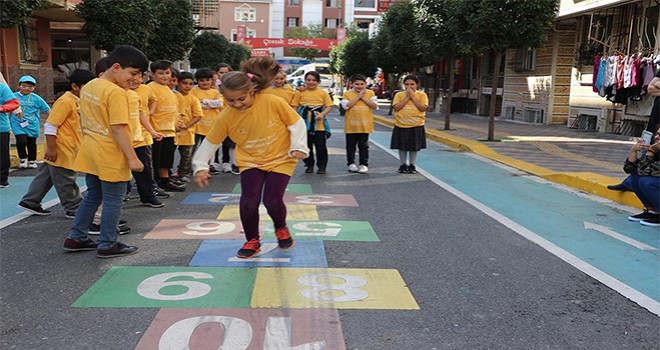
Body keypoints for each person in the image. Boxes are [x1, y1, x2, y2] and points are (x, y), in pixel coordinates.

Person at [192, 56, 309, 259]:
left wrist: (298, 147)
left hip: (281, 158)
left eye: (241, 99)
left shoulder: (273, 101)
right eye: (230, 100)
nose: (236, 104)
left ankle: (281, 227)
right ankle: (252, 240)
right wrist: (201, 165)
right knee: (248, 202)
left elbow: (296, 123)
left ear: (252, 91)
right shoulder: (225, 116)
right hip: (250, 160)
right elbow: (211, 142)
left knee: (272, 200)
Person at [62, 45, 148, 258]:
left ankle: (76, 237)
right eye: (133, 73)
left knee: (93, 195)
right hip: (110, 153)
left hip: (91, 149)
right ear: (117, 67)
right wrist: (133, 158)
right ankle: (108, 242)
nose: (135, 79)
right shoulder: (117, 93)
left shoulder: (91, 85)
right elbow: (118, 128)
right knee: (113, 199)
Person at [17, 69, 95, 217]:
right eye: (87, 86)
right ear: (74, 86)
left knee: (46, 176)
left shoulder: (79, 101)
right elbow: (51, 125)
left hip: (69, 146)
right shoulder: (65, 102)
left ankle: (30, 201)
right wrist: (52, 148)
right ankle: (74, 207)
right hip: (61, 148)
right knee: (66, 179)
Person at [128, 74, 165, 208]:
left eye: (136, 75)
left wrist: (152, 131)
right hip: (119, 139)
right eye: (130, 74)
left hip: (139, 138)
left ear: (143, 77)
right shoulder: (116, 92)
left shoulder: (138, 93)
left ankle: (148, 196)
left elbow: (141, 113)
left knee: (144, 168)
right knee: (120, 170)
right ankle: (122, 195)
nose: (133, 79)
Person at [148, 60, 185, 192]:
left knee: (167, 158)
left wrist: (177, 123)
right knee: (155, 160)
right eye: (161, 73)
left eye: (167, 73)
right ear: (152, 74)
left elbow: (174, 111)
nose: (165, 76)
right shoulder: (150, 88)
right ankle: (154, 182)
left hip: (170, 130)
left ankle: (165, 180)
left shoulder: (169, 90)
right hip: (156, 130)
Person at [292, 71, 333, 174]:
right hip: (304, 124)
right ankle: (309, 164)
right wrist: (296, 118)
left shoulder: (323, 93)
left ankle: (322, 166)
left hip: (319, 124)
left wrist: (321, 115)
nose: (311, 82)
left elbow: (329, 106)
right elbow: (294, 106)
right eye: (308, 80)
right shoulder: (300, 93)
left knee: (321, 146)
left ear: (318, 82)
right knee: (306, 146)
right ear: (304, 81)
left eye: (314, 80)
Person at [391, 74, 428, 174]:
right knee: (402, 146)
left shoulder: (422, 95)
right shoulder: (399, 95)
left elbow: (422, 108)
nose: (409, 86)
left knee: (414, 147)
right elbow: (396, 107)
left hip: (416, 124)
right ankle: (403, 164)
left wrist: (413, 97)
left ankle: (412, 165)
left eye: (412, 84)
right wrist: (407, 97)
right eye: (407, 84)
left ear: (417, 85)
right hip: (401, 124)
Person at [11, 75, 51, 169]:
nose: (27, 88)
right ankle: (23, 159)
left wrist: (54, 120)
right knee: (21, 141)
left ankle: (32, 160)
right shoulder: (13, 96)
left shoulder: (36, 98)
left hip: (32, 124)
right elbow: (6, 106)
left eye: (30, 87)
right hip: (18, 124)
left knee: (31, 143)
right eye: (24, 86)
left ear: (34, 88)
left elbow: (47, 110)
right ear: (19, 86)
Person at [341, 74, 378, 174]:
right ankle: (351, 163)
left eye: (362, 84)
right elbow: (347, 106)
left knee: (364, 146)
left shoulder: (370, 93)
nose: (359, 86)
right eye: (356, 84)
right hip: (351, 126)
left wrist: (363, 98)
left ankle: (363, 164)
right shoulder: (347, 94)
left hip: (365, 125)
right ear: (352, 84)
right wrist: (358, 97)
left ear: (366, 84)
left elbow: (374, 106)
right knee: (350, 146)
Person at [624, 127, 660, 227]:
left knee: (646, 182)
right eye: (656, 134)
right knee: (634, 179)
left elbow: (646, 171)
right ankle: (653, 212)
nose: (656, 137)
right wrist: (633, 151)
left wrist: (651, 151)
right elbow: (631, 170)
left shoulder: (654, 149)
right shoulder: (656, 149)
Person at [191, 68, 224, 175]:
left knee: (208, 148)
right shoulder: (193, 91)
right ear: (197, 81)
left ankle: (206, 168)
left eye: (207, 80)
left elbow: (219, 104)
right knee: (192, 147)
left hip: (212, 125)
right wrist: (210, 104)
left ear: (212, 81)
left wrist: (203, 102)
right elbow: (192, 104)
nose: (205, 82)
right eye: (201, 80)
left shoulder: (216, 92)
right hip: (195, 124)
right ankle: (189, 167)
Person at [174, 71, 203, 182]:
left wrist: (186, 125)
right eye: (184, 83)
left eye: (190, 84)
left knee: (186, 156)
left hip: (188, 132)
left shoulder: (193, 99)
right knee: (168, 154)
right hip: (173, 131)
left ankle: (183, 173)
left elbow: (198, 115)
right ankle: (167, 175)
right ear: (178, 83)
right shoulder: (173, 96)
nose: (187, 86)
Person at [215, 63, 239, 174]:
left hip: (232, 118)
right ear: (217, 74)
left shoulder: (235, 86)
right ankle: (213, 163)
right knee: (214, 141)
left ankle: (228, 163)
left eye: (227, 72)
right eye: (221, 72)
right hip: (216, 118)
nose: (224, 75)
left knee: (230, 143)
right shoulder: (213, 87)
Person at [0, 72, 20, 188]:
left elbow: (14, 103)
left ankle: (2, 179)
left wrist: (2, 108)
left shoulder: (2, 88)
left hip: (1, 128)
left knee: (2, 154)